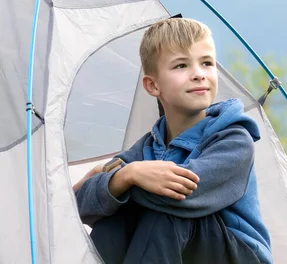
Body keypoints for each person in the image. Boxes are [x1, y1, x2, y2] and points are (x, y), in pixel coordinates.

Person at [74, 18, 272, 264]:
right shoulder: (148, 147)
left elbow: (181, 195)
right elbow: (78, 206)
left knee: (166, 213)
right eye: (181, 66)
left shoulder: (234, 140)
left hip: (239, 255)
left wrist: (116, 179)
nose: (199, 74)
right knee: (116, 218)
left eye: (207, 63)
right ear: (153, 85)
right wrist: (127, 175)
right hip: (181, 249)